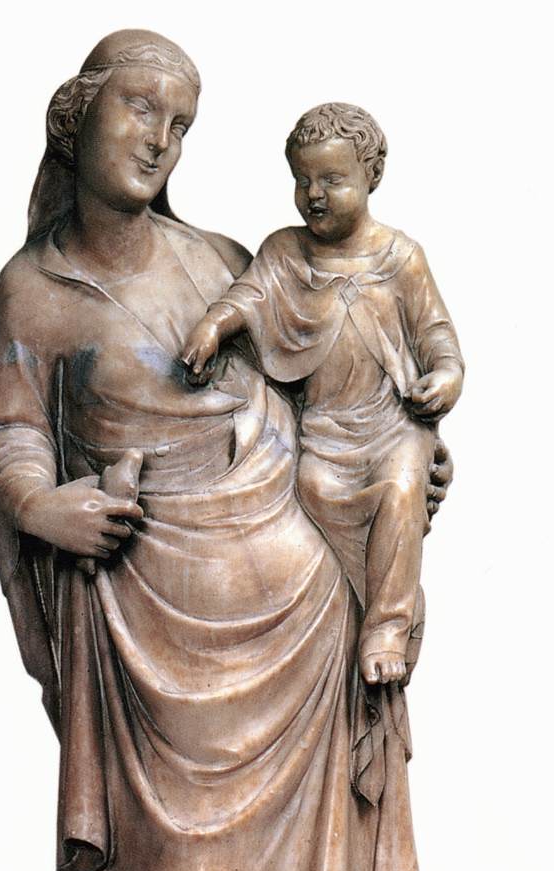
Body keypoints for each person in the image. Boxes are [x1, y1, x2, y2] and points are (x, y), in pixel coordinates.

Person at [0, 31, 453, 871]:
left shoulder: (222, 261)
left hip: (298, 620)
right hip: (154, 649)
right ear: (76, 117)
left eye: (181, 122)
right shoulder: (34, 288)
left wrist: (400, 461)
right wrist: (45, 506)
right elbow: (8, 432)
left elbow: (315, 396)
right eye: (141, 109)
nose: (160, 139)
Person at [183, 102, 464, 686]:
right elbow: (248, 296)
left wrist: (446, 375)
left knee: (401, 488)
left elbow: (436, 334)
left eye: (332, 179)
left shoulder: (401, 258)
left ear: (371, 176)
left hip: (394, 424)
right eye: (302, 179)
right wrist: (212, 326)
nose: (314, 194)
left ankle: (387, 626)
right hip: (327, 429)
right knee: (312, 489)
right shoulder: (285, 253)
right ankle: (371, 598)